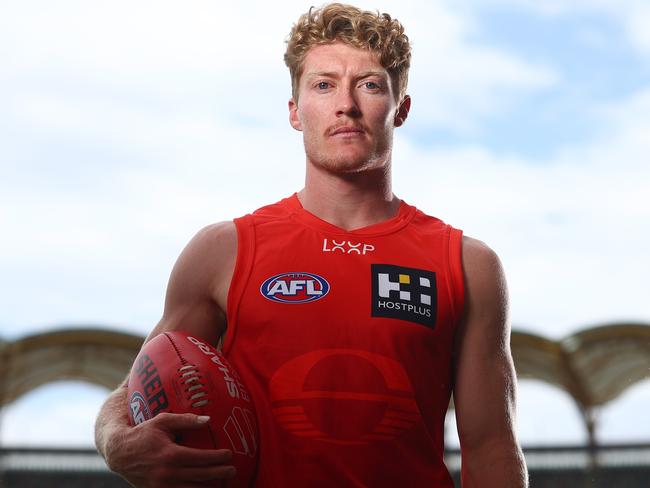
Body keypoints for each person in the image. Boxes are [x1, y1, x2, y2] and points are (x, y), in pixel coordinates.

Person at [95, 3, 528, 487]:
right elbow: (140, 382)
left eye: (368, 84)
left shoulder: (467, 264)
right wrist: (116, 440)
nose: (345, 104)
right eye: (323, 85)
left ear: (400, 108)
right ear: (295, 112)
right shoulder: (224, 251)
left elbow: (491, 444)